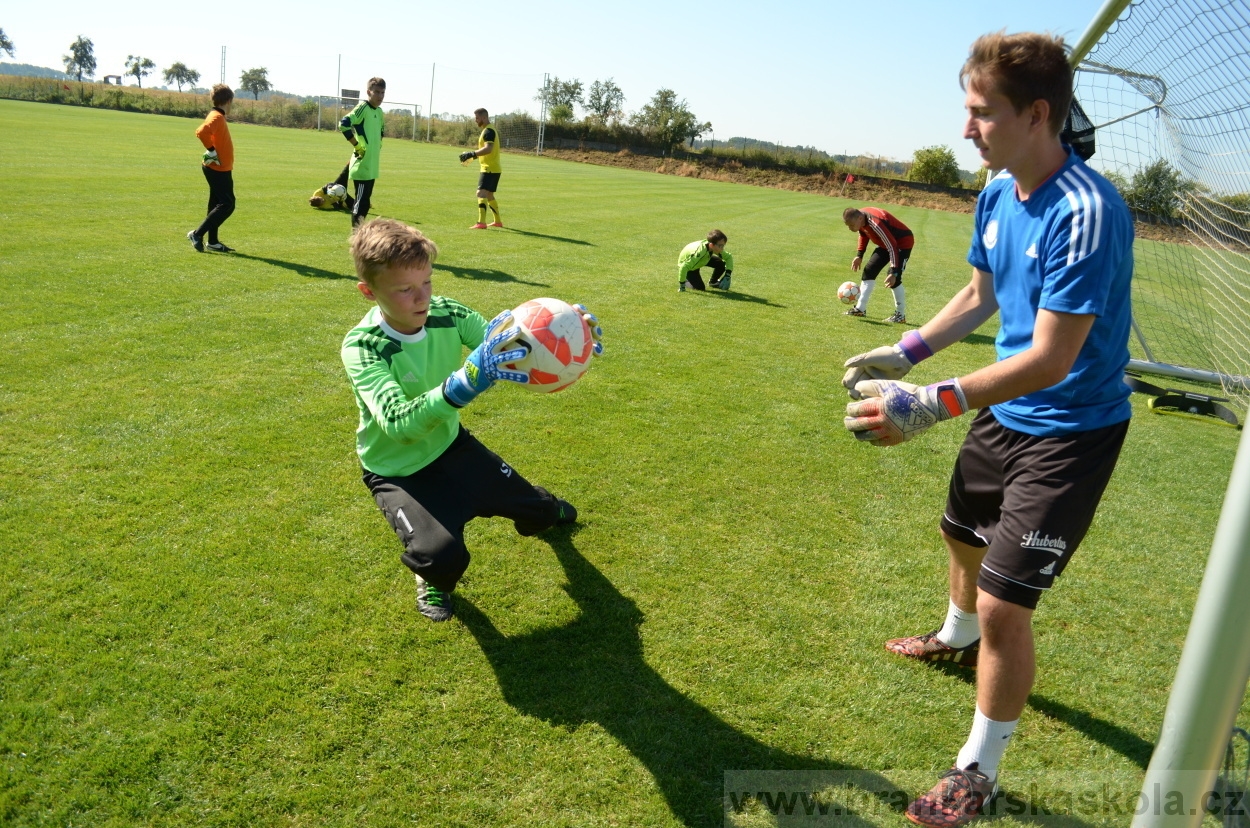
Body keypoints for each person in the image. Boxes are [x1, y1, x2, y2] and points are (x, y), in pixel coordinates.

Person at [841, 31, 1134, 828]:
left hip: (1071, 428)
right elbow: (979, 297)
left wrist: (930, 402)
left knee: (1009, 604)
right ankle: (953, 634)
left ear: (1037, 114)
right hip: (1005, 410)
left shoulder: (1087, 211)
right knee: (961, 535)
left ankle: (979, 769)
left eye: (981, 114)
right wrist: (903, 351)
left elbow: (1050, 357)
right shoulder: (999, 192)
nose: (966, 130)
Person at [340, 219, 604, 622]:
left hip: (451, 446)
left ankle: (543, 504)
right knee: (441, 556)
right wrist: (464, 382)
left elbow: (506, 349)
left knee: (542, 515)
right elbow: (398, 424)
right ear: (368, 291)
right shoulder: (363, 347)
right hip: (395, 469)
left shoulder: (448, 313)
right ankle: (432, 577)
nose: (422, 297)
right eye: (405, 289)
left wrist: (564, 338)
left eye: (426, 281)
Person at [841, 206, 913, 322]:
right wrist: (859, 255)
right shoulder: (861, 218)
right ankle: (860, 309)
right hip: (887, 244)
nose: (849, 228)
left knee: (894, 279)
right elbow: (863, 234)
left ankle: (900, 315)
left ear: (859, 218)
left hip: (902, 244)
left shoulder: (876, 223)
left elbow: (893, 246)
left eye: (851, 225)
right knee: (869, 271)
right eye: (848, 226)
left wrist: (894, 271)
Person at [188, 84, 237, 253]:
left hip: (219, 167)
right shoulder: (217, 117)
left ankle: (213, 242)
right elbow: (202, 132)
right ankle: (197, 234)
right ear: (229, 101)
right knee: (227, 204)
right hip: (218, 168)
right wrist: (211, 150)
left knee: (216, 204)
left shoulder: (215, 115)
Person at [340, 78, 386, 228]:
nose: (380, 96)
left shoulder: (379, 112)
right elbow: (344, 124)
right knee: (360, 204)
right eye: (377, 92)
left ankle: (359, 236)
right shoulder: (362, 108)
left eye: (383, 93)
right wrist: (357, 146)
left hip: (372, 165)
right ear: (368, 92)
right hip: (361, 164)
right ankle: (356, 238)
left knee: (365, 203)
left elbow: (380, 133)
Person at [458, 108, 504, 229]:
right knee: (489, 195)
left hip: (489, 168)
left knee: (481, 193)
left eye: (477, 118)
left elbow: (488, 149)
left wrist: (472, 154)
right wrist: (473, 157)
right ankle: (497, 222)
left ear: (484, 118)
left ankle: (481, 223)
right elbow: (488, 152)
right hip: (493, 168)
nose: (475, 120)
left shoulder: (488, 131)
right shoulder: (488, 130)